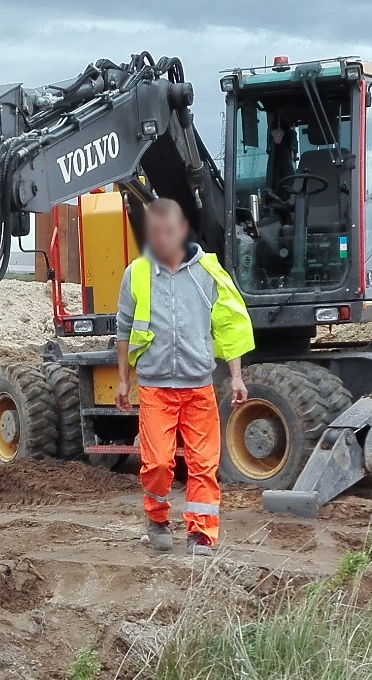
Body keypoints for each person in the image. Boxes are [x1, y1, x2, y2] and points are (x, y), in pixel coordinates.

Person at [114, 198, 255, 555]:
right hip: (155, 388)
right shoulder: (137, 273)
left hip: (198, 387)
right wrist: (123, 381)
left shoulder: (207, 271)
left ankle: (201, 535)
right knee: (158, 462)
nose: (161, 239)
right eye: (154, 233)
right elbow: (124, 330)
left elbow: (227, 326)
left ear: (181, 231)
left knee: (203, 464)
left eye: (168, 231)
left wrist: (236, 377)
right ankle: (157, 518)